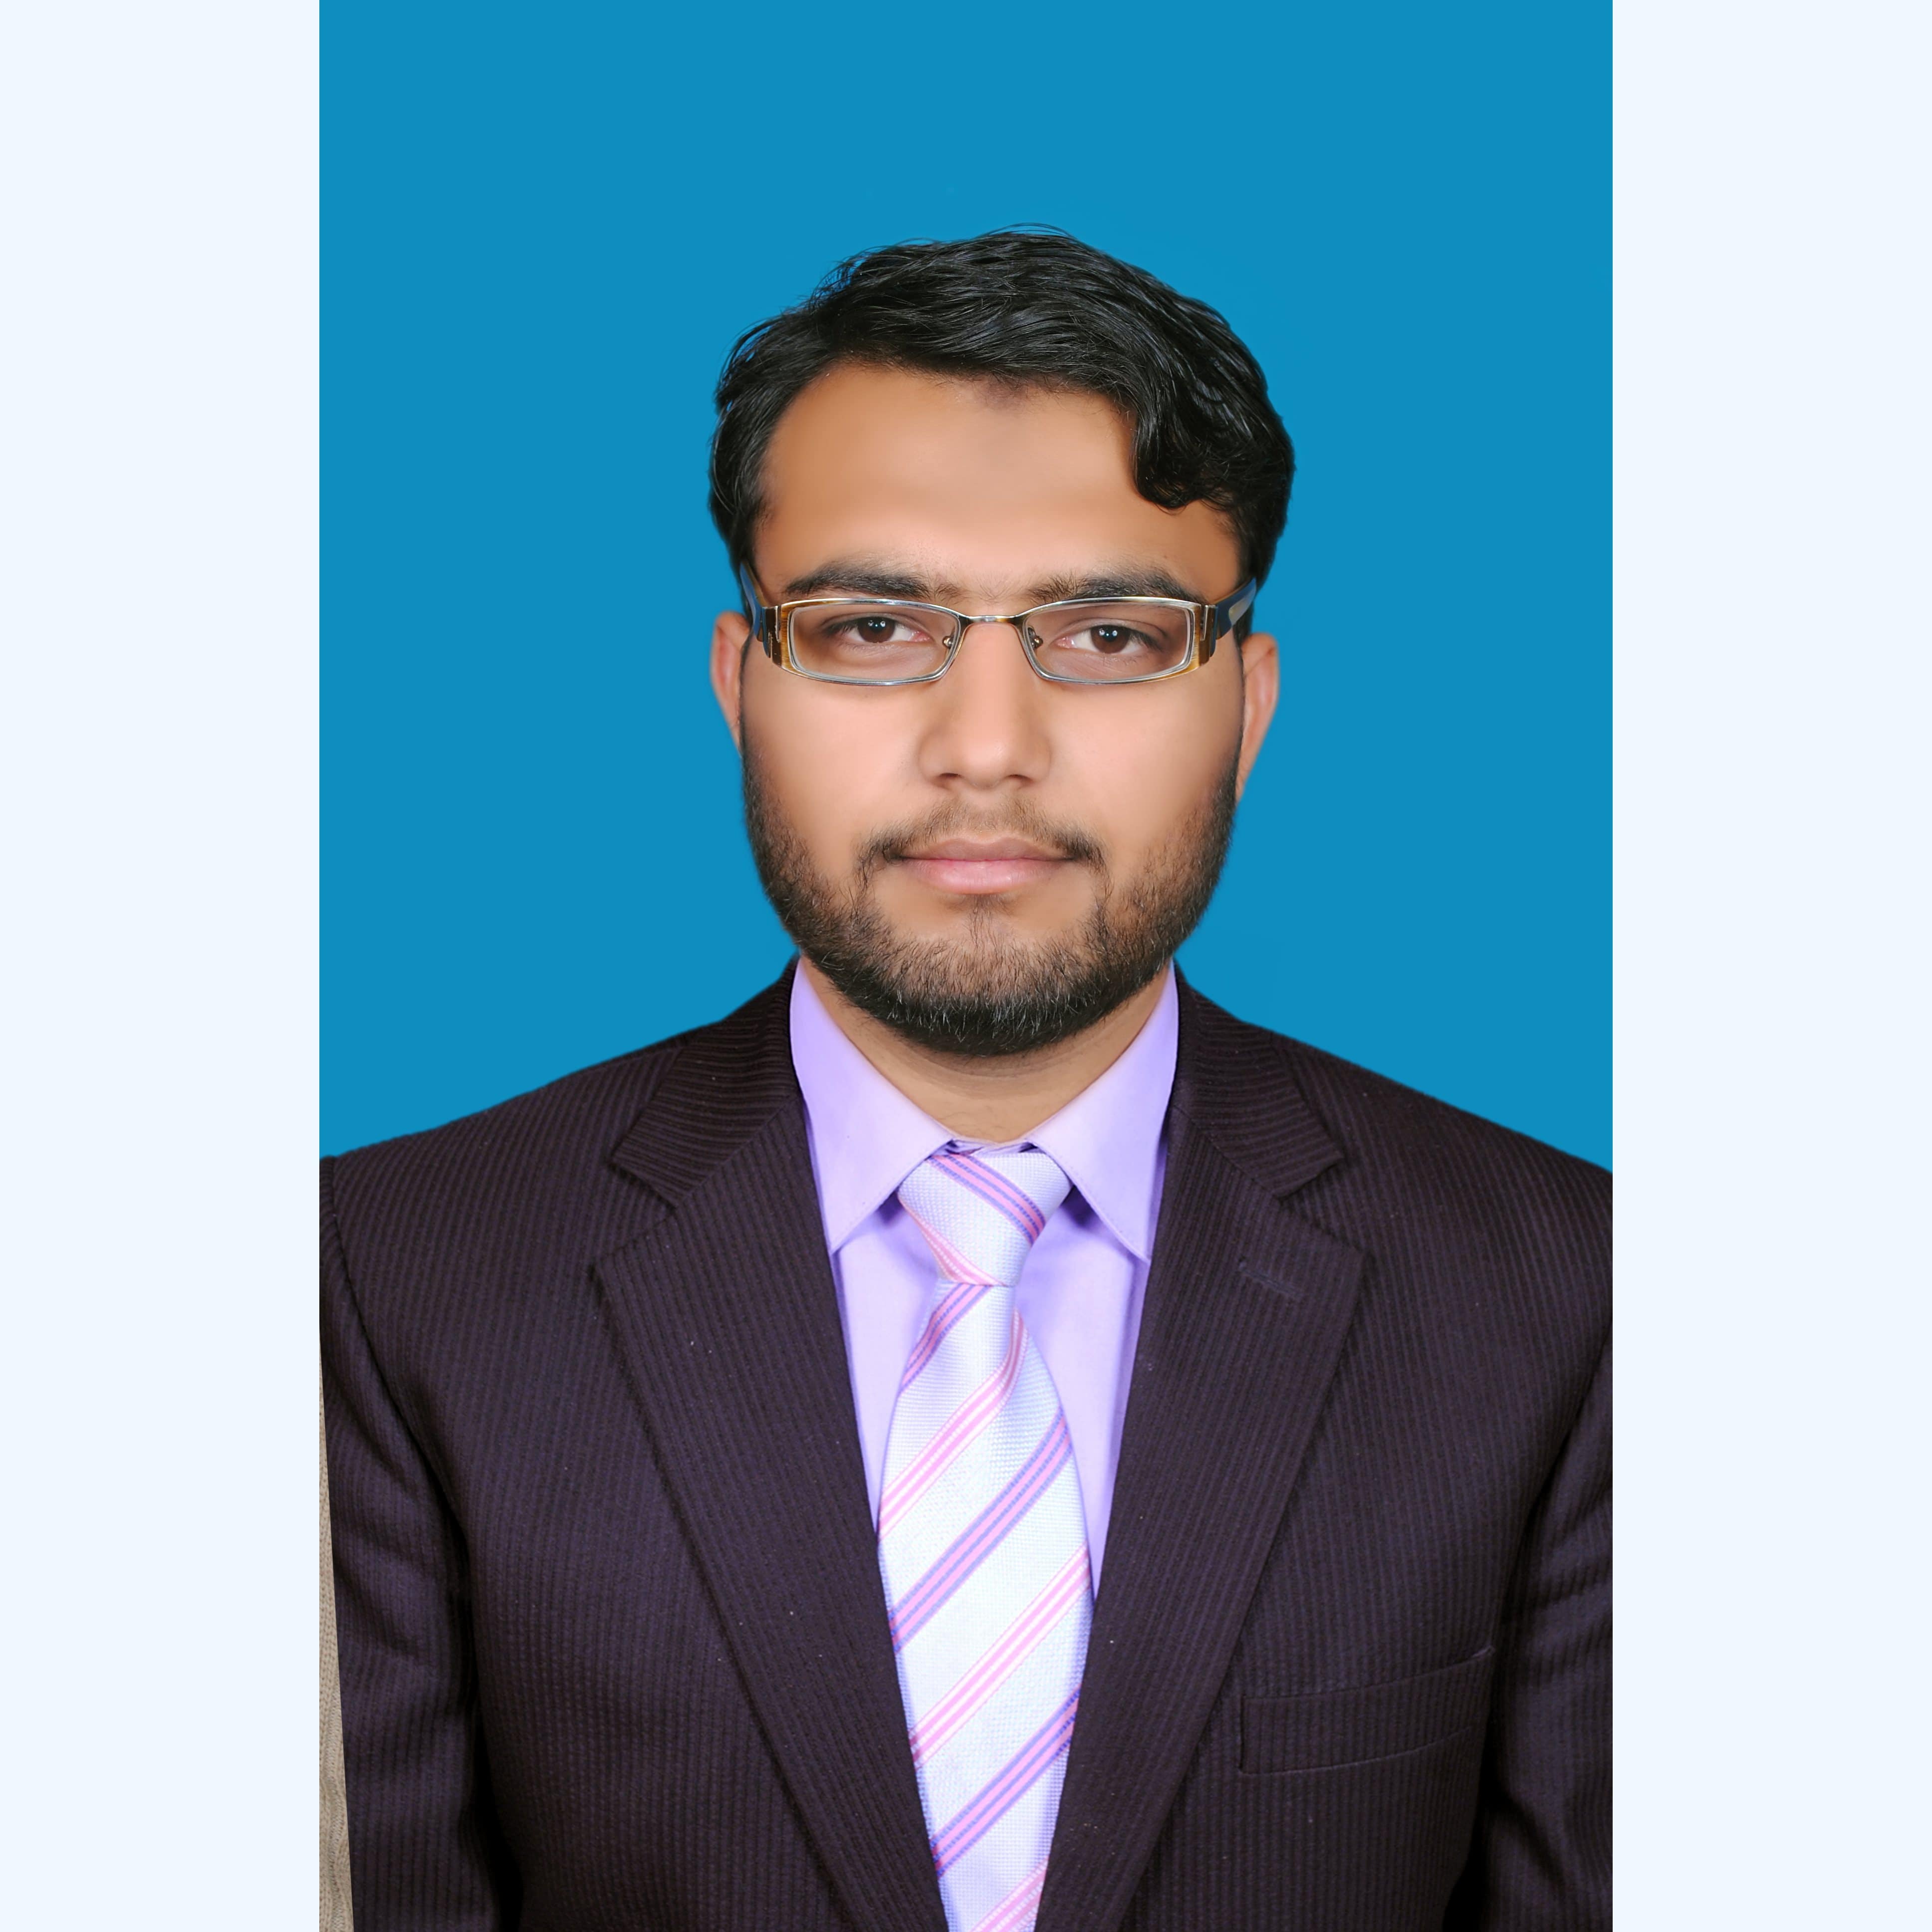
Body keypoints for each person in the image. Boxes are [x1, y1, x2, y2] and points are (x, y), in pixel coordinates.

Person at [323, 229, 1608, 1932]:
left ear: (1248, 704)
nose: (987, 747)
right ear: (739, 687)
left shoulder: (1566, 1292)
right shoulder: (386, 1278)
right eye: (872, 626)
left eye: (1112, 634)